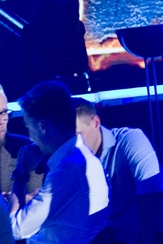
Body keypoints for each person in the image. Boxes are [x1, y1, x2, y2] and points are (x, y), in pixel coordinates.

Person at [8, 82, 108, 244]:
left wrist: (21, 173)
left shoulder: (69, 169)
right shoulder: (79, 159)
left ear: (42, 127)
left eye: (29, 128)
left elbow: (13, 229)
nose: (30, 137)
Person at [74, 101, 163, 244]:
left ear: (95, 123)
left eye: (78, 135)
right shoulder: (72, 162)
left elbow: (152, 195)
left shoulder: (131, 139)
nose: (74, 144)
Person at [1, 84, 45, 204]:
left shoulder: (27, 149)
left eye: (4, 112)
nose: (1, 121)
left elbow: (38, 198)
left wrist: (22, 200)